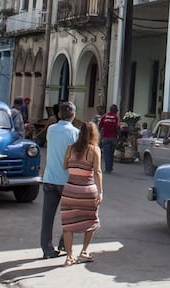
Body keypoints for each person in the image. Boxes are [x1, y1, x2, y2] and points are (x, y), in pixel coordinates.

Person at [40, 101, 80, 260]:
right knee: (70, 216)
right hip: (68, 180)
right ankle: (64, 242)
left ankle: (47, 249)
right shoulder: (76, 133)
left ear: (58, 115)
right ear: (74, 115)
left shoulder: (51, 129)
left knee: (47, 217)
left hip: (50, 178)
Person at [60, 122, 103, 266]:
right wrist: (100, 191)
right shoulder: (94, 150)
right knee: (91, 221)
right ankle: (84, 251)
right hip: (87, 190)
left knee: (68, 224)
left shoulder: (70, 149)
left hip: (70, 190)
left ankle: (69, 257)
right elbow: (97, 171)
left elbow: (64, 166)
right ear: (94, 134)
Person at [97, 104, 120, 173]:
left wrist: (98, 135)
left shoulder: (104, 117)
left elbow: (99, 126)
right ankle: (110, 167)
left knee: (106, 154)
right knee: (111, 153)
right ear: (116, 111)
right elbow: (118, 128)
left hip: (105, 138)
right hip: (113, 138)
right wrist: (119, 137)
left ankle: (107, 168)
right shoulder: (116, 118)